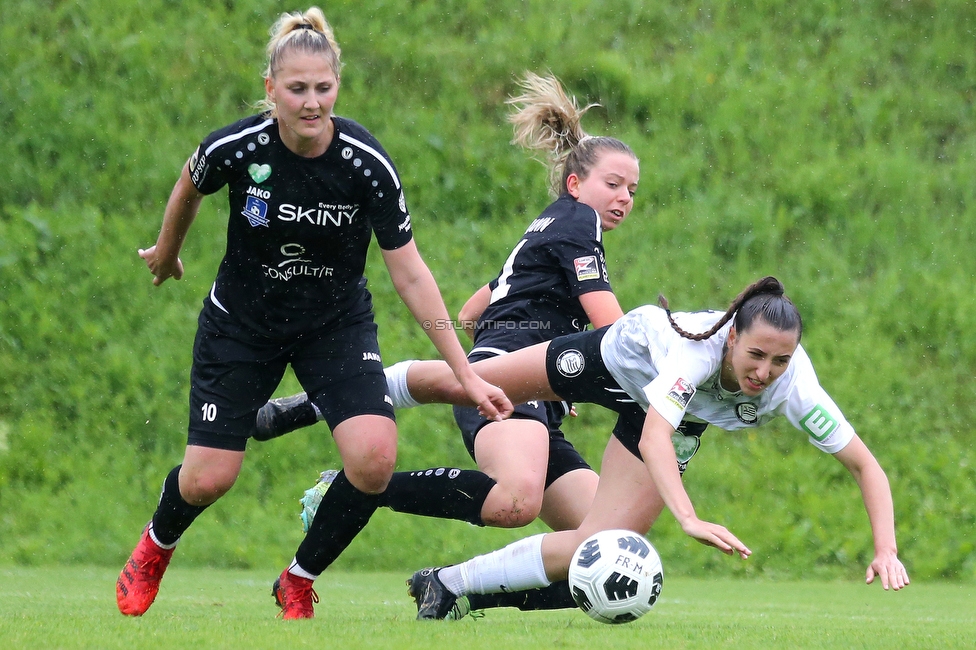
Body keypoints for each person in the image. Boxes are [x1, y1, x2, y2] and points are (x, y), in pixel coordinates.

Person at [116, 7, 509, 620]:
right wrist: (167, 252)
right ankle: (156, 544)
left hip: (335, 326)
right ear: (272, 89)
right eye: (296, 89)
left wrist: (464, 373)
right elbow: (190, 185)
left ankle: (298, 578)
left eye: (322, 88)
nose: (310, 102)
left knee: (374, 459)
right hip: (242, 327)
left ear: (337, 87)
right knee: (208, 480)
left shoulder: (364, 164)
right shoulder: (239, 146)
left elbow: (409, 269)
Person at [256, 72, 647, 618]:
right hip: (513, 372)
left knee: (600, 540)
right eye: (614, 184)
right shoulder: (579, 222)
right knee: (515, 501)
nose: (625, 197)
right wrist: (596, 363)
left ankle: (454, 589)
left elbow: (470, 310)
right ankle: (359, 485)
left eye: (633, 189)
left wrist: (556, 374)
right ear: (577, 184)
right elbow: (618, 331)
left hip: (529, 382)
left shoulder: (551, 227)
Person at [391, 276, 910, 619]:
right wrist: (688, 517)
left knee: (600, 545)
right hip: (612, 362)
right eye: (756, 355)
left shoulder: (795, 387)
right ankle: (340, 398)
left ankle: (448, 584)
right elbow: (656, 437)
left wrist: (886, 549)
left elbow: (866, 466)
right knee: (469, 381)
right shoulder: (695, 353)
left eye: (779, 360)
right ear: (731, 338)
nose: (764, 373)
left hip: (660, 412)